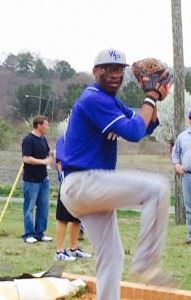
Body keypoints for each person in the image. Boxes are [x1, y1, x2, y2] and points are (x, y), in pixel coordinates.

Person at [60, 48, 170, 300]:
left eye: (119, 69)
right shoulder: (93, 98)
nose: (115, 73)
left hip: (88, 189)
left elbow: (142, 126)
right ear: (95, 71)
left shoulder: (110, 102)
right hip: (82, 183)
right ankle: (145, 263)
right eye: (108, 68)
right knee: (157, 189)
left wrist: (153, 99)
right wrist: (151, 95)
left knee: (112, 256)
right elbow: (132, 132)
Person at [54, 135, 91, 261]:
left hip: (82, 183)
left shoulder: (84, 138)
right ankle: (59, 251)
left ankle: (74, 249)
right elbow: (59, 161)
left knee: (77, 217)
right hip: (69, 182)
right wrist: (64, 179)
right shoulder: (65, 138)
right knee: (63, 218)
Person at [22, 115, 54, 244]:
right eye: (46, 124)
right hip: (31, 180)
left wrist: (53, 154)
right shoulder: (28, 140)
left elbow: (47, 153)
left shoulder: (43, 139)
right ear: (39, 125)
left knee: (43, 207)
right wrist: (44, 161)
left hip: (43, 179)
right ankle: (29, 234)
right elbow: (26, 158)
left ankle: (40, 233)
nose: (47, 127)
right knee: (29, 207)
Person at [172, 111, 191, 244]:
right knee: (189, 207)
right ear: (188, 120)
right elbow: (176, 153)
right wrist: (177, 165)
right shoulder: (182, 137)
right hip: (187, 176)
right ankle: (190, 236)